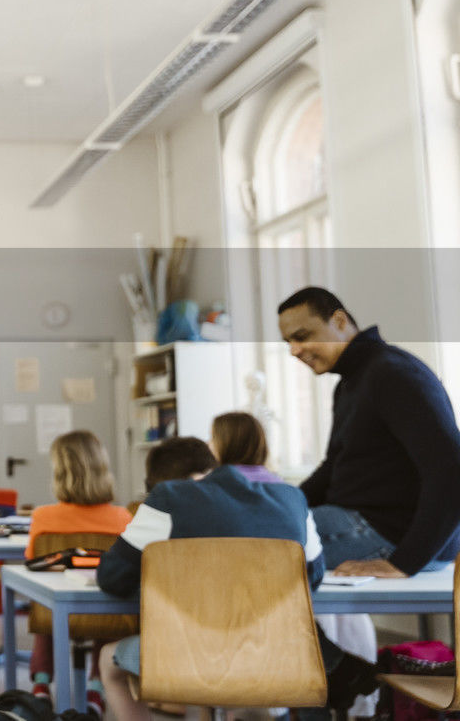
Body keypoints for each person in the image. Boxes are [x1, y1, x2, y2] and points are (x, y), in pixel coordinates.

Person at [96, 411, 379, 721]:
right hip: (275, 655)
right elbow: (313, 576)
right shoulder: (292, 500)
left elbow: (112, 578)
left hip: (184, 657)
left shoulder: (167, 498)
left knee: (109, 661)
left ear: (215, 453)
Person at [278, 286, 460, 577]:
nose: (294, 350)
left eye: (302, 336)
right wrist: (279, 503)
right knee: (258, 524)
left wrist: (402, 563)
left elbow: (451, 469)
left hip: (391, 536)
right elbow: (333, 467)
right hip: (359, 523)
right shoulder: (351, 382)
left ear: (338, 322)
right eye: (288, 341)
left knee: (254, 541)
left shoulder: (392, 373)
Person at [23, 431, 134, 717]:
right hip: (108, 616)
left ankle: (41, 687)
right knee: (107, 600)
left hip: (54, 617)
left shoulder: (43, 517)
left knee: (46, 596)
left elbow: (32, 562)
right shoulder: (123, 519)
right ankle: (96, 689)